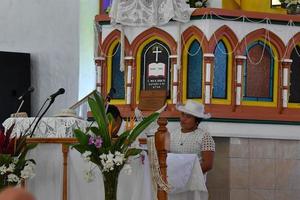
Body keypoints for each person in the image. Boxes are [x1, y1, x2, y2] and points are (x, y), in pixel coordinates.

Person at [170, 100, 215, 174]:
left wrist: (187, 174)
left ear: (197, 120)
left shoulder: (205, 137)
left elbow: (208, 165)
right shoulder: (173, 134)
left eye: (188, 117)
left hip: (195, 180)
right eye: (182, 115)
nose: (183, 119)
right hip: (175, 179)